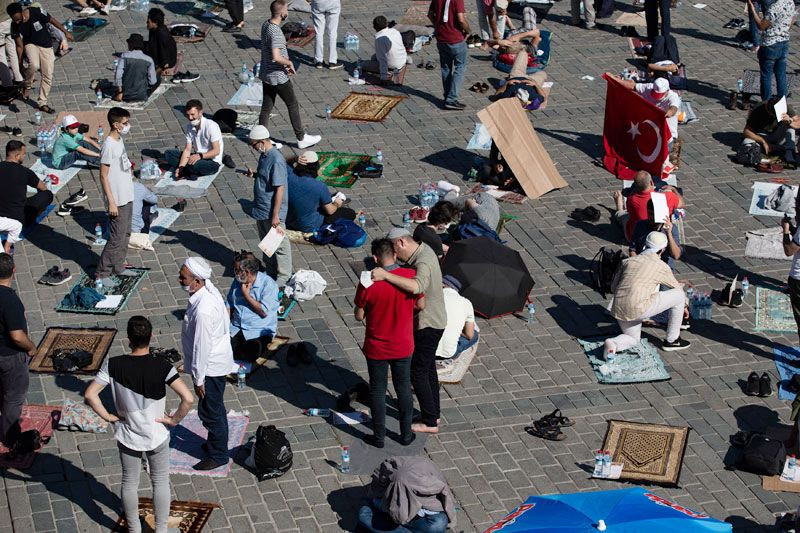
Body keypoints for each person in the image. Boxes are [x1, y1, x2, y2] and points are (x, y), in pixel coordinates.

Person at [84, 316, 194, 533]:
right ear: (151, 337)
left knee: (129, 482)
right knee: (160, 481)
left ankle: (134, 529)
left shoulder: (113, 364)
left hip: (128, 434)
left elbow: (89, 394)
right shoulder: (163, 366)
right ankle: (161, 529)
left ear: (128, 339)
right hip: (156, 434)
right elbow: (188, 399)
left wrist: (108, 416)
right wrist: (173, 420)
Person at [372, 229, 446, 435]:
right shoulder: (424, 252)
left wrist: (386, 275)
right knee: (428, 368)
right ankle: (433, 414)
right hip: (436, 320)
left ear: (402, 243)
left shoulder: (422, 261)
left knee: (418, 372)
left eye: (395, 252)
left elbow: (416, 286)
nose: (395, 258)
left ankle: (430, 422)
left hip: (427, 324)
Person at [355, 238, 423, 448]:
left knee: (377, 389)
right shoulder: (411, 277)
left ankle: (378, 437)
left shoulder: (367, 282)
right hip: (403, 345)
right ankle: (405, 435)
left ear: (375, 258)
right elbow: (421, 304)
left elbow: (359, 316)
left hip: (377, 347)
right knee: (403, 388)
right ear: (395, 254)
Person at [179, 257, 237, 470]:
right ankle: (215, 444)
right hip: (216, 362)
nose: (180, 280)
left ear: (196, 281)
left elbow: (201, 348)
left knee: (211, 411)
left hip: (209, 367)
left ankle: (219, 455)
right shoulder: (207, 291)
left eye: (183, 277)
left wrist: (198, 378)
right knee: (213, 407)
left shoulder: (203, 311)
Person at [605, 231, 690, 354]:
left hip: (619, 308)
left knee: (633, 339)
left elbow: (613, 288)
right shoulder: (661, 266)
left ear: (645, 245)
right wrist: (685, 306)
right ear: (663, 249)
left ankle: (613, 344)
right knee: (679, 295)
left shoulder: (628, 261)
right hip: (639, 308)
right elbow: (676, 289)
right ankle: (672, 340)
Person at [259, 0, 321, 149]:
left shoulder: (266, 25)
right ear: (282, 13)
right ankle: (301, 138)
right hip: (278, 76)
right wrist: (289, 63)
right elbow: (276, 56)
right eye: (286, 10)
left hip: (266, 73)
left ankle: (262, 138)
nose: (288, 12)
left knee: (267, 106)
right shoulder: (277, 33)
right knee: (292, 104)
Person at [358, 457, 455, 533]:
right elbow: (376, 495)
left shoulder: (427, 485)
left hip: (416, 518)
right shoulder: (389, 470)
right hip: (398, 514)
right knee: (364, 514)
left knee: (438, 524)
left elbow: (400, 516)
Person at [246, 125, 292, 286]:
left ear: (262, 141)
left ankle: (284, 275)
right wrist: (256, 175)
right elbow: (268, 179)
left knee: (280, 244)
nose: (253, 148)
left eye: (253, 144)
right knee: (267, 243)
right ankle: (271, 270)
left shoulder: (276, 160)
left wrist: (275, 214)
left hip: (272, 210)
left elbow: (280, 188)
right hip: (261, 208)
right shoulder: (265, 156)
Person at [8, 2, 72, 114]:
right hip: (30, 44)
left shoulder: (36, 12)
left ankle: (42, 103)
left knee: (48, 75)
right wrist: (19, 64)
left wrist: (65, 32)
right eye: (15, 20)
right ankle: (27, 86)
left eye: (19, 19)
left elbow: (52, 20)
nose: (17, 22)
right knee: (34, 64)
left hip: (46, 45)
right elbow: (19, 45)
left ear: (22, 12)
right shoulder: (14, 25)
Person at [96, 107, 135, 288]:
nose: (128, 126)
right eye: (125, 123)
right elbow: (103, 175)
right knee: (115, 238)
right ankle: (102, 272)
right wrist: (111, 201)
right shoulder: (109, 145)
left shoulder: (119, 140)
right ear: (115, 124)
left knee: (125, 233)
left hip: (127, 194)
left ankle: (118, 266)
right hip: (117, 199)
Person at [0, 253, 35, 446]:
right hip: (9, 356)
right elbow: (17, 336)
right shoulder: (10, 301)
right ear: (14, 270)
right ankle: (11, 437)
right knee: (13, 397)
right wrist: (31, 348)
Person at [227, 250, 279, 362]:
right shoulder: (237, 281)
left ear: (246, 272)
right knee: (221, 349)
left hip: (257, 330)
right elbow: (229, 303)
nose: (235, 273)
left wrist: (247, 295)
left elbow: (263, 312)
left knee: (248, 354)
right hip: (236, 327)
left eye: (237, 270)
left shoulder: (268, 285)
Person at [286, 151, 356, 233]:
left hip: (289, 220)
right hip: (308, 225)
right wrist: (337, 204)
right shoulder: (319, 186)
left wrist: (294, 159)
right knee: (350, 213)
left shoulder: (289, 175)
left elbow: (286, 163)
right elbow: (330, 211)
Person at [0, 141, 53, 241]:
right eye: (24, 154)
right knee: (47, 195)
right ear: (17, 156)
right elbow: (43, 188)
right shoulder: (25, 172)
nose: (24, 156)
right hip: (17, 219)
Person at [607, 75, 680, 146]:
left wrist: (668, 114)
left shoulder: (673, 96)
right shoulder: (648, 87)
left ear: (667, 90)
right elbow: (632, 86)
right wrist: (613, 78)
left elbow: (673, 108)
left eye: (660, 94)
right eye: (654, 93)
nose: (656, 97)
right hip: (648, 129)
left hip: (667, 134)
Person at [612, 170, 684, 242]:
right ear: (651, 182)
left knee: (625, 215)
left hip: (636, 238)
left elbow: (631, 214)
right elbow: (682, 204)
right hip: (659, 239)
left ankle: (619, 209)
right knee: (623, 216)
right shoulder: (666, 196)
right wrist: (673, 189)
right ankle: (619, 210)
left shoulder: (631, 199)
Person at [165, 100, 224, 180]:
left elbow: (216, 151)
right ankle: (187, 171)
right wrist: (181, 167)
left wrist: (200, 156)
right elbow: (187, 149)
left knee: (194, 165)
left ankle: (189, 171)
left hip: (211, 161)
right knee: (169, 154)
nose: (190, 118)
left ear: (200, 113)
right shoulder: (190, 127)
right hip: (197, 157)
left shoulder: (211, 126)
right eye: (188, 115)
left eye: (193, 114)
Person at [428, 0, 470, 110]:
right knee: (460, 67)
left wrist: (437, 26)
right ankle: (451, 99)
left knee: (445, 68)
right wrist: (468, 30)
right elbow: (461, 19)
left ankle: (447, 95)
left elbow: (430, 14)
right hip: (455, 39)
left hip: (441, 38)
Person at [749, 0, 793, 101]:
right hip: (784, 42)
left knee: (766, 76)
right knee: (781, 75)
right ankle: (782, 103)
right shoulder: (790, 2)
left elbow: (761, 26)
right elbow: (792, 20)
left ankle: (766, 104)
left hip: (770, 45)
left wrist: (753, 11)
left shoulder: (774, 8)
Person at [742, 95, 800, 160]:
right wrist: (763, 141)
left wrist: (789, 121)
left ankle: (789, 153)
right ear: (767, 107)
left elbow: (798, 122)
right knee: (747, 142)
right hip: (763, 136)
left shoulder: (783, 106)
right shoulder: (758, 109)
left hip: (778, 136)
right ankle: (778, 149)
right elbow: (746, 131)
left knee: (790, 126)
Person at [629, 199, 681, 266]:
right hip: (643, 263)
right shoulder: (640, 225)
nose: (652, 217)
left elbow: (676, 255)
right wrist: (637, 265)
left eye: (655, 214)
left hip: (663, 266)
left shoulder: (671, 228)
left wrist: (669, 233)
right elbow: (632, 250)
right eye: (650, 214)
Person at [436, 275, 478, 360]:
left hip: (424, 349)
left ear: (443, 285)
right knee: (475, 335)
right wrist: (458, 331)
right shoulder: (466, 303)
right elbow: (469, 335)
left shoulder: (433, 297)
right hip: (448, 354)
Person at [360, 16, 407, 85]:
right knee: (374, 57)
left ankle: (389, 71)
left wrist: (383, 78)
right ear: (386, 24)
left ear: (374, 27)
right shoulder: (395, 31)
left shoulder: (379, 40)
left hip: (393, 65)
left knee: (362, 65)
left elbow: (383, 60)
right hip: (402, 60)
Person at [113, 33, 158, 103]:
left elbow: (118, 76)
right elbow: (152, 81)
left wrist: (120, 91)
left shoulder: (124, 56)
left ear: (131, 44)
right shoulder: (149, 60)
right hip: (142, 95)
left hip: (125, 95)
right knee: (158, 78)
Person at [145, 8, 178, 75]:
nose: (147, 23)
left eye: (148, 21)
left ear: (155, 22)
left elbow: (164, 51)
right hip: (155, 52)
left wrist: (166, 66)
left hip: (165, 61)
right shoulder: (153, 29)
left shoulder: (162, 34)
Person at [311, 0, 342, 69]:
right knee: (332, 32)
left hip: (318, 3)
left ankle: (318, 61)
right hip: (333, 3)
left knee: (318, 32)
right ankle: (332, 61)